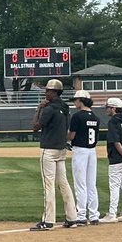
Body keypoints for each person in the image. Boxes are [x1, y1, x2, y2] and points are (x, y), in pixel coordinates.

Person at [30, 78, 78, 231]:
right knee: (63, 183)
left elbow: (35, 127)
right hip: (61, 148)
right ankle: (72, 218)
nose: (46, 93)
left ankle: (48, 220)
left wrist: (38, 109)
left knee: (49, 185)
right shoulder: (65, 107)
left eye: (48, 90)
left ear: (55, 92)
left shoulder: (49, 108)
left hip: (49, 149)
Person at [99, 98, 122, 223]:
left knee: (114, 186)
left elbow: (116, 141)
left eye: (108, 107)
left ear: (113, 108)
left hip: (117, 158)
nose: (106, 110)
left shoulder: (113, 122)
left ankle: (112, 214)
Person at [67, 91, 100, 225]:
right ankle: (93, 215)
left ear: (81, 101)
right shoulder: (96, 117)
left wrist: (66, 137)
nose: (74, 102)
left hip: (80, 150)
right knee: (91, 184)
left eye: (76, 100)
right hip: (92, 150)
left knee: (80, 184)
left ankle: (81, 215)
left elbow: (71, 136)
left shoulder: (77, 116)